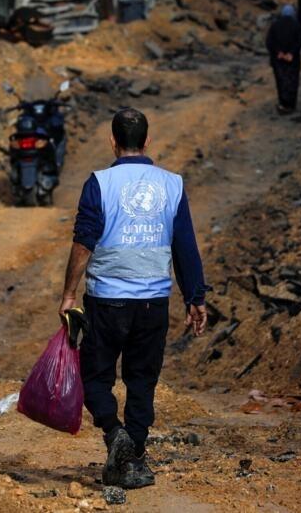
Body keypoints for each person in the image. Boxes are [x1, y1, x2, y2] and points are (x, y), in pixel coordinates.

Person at [59, 108, 209, 489]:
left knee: (95, 377)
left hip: (106, 300)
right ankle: (134, 459)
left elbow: (83, 242)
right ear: (147, 141)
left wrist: (69, 293)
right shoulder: (172, 184)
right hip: (152, 302)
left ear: (112, 141)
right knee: (142, 381)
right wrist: (196, 297)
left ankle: (115, 433)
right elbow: (185, 246)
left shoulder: (99, 182)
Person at [266, 5, 301, 114]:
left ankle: (283, 103)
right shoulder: (297, 25)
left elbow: (269, 42)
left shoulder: (275, 25)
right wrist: (291, 53)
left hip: (278, 60)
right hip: (293, 59)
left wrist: (279, 52)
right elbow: (300, 41)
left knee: (281, 81)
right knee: (293, 81)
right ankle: (291, 104)